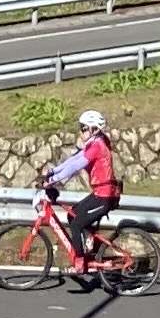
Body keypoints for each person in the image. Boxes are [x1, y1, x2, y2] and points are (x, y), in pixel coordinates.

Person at [43, 109, 121, 273]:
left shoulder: (97, 146)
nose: (81, 131)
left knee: (77, 224)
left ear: (94, 129)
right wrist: (54, 171)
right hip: (100, 193)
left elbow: (76, 166)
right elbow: (73, 160)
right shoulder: (94, 143)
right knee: (72, 215)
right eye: (81, 127)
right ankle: (93, 250)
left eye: (84, 128)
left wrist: (53, 180)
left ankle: (79, 263)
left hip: (105, 196)